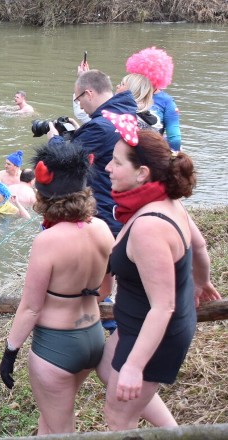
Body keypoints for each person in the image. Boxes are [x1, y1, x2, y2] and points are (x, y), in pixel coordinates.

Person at [97, 117, 220, 430]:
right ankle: (174, 434)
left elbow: (163, 306)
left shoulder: (149, 226)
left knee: (117, 416)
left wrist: (135, 367)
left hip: (156, 331)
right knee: (107, 368)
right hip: (137, 323)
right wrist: (202, 281)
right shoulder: (166, 201)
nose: (107, 168)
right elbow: (200, 245)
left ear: (142, 173)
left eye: (116, 162)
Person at [0, 142, 114, 434]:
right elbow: (105, 288)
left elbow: (31, 307)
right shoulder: (101, 228)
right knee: (50, 421)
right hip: (92, 337)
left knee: (62, 429)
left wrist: (10, 351)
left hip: (56, 346)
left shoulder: (47, 241)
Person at [49, 64, 138, 236]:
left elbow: (63, 161)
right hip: (121, 204)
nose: (80, 107)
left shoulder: (99, 127)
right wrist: (81, 133)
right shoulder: (124, 114)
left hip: (104, 210)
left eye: (78, 100)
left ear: (89, 93)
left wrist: (54, 138)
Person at [125, 47, 181, 151]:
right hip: (151, 153)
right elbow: (175, 140)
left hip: (125, 151)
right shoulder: (168, 102)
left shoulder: (126, 94)